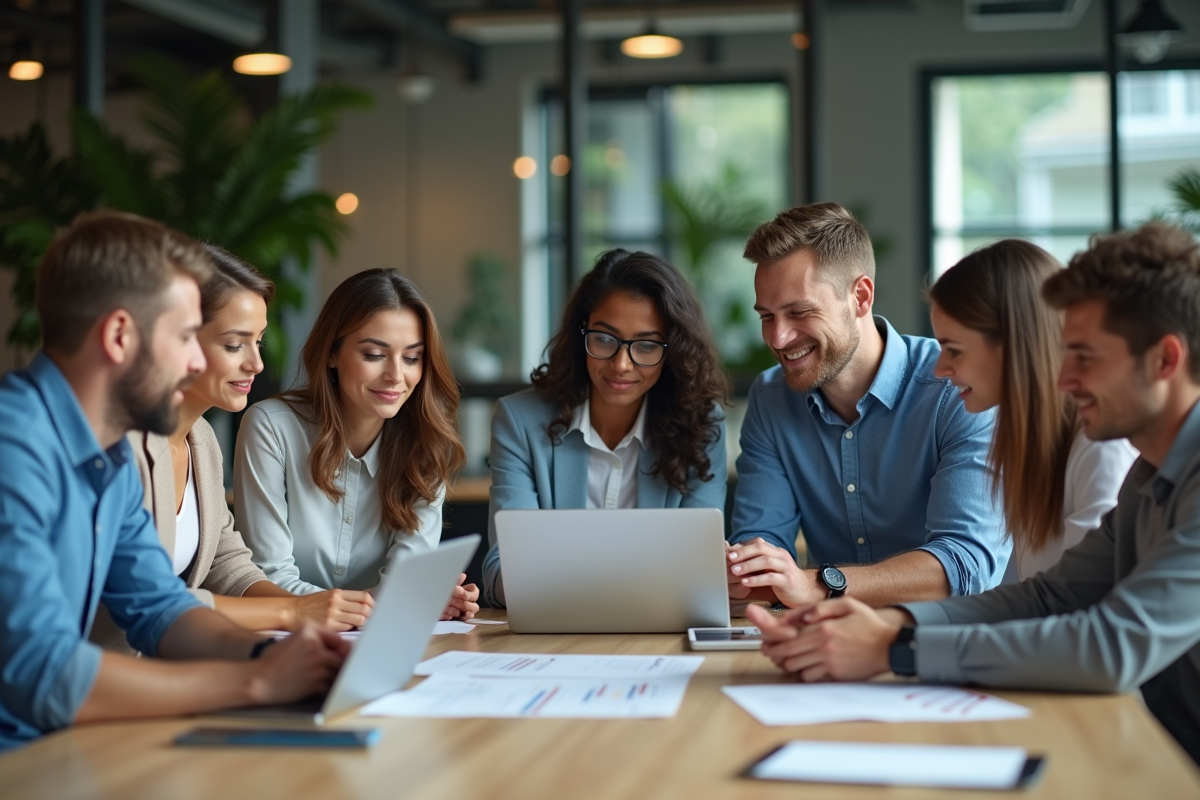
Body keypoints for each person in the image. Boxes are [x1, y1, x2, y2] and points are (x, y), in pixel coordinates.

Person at [747, 221, 1200, 765]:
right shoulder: (1150, 475)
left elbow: (1110, 643)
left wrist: (895, 647)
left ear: (1165, 361)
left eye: (1085, 357)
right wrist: (894, 622)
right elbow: (1049, 598)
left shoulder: (1132, 463)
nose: (1062, 378)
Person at [0, 211, 348, 752]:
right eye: (187, 336)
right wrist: (255, 682)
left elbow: (159, 607)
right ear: (119, 335)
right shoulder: (14, 447)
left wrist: (271, 657)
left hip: (65, 748)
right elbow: (44, 673)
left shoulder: (106, 453)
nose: (194, 361)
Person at [91, 246, 374, 655]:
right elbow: (155, 601)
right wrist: (291, 614)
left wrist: (311, 609)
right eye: (234, 345)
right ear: (178, 340)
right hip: (105, 682)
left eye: (257, 341)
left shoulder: (202, 440)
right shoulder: (121, 446)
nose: (257, 363)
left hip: (163, 669)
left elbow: (228, 565)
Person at [726, 202, 1009, 609]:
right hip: (827, 642)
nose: (779, 338)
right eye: (767, 317)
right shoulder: (771, 399)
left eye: (799, 312)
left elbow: (965, 565)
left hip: (947, 644)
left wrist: (817, 585)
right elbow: (763, 547)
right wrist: (744, 572)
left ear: (860, 296)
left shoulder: (956, 389)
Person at [481, 249, 729, 607]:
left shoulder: (702, 426)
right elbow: (501, 568)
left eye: (645, 345)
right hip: (551, 636)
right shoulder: (519, 420)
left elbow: (698, 571)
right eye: (604, 339)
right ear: (582, 331)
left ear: (673, 350)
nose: (622, 364)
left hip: (655, 638)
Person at [235, 268, 476, 620]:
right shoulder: (270, 427)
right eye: (374, 355)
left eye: (411, 357)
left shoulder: (427, 442)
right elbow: (268, 578)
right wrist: (391, 603)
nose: (396, 374)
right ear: (332, 354)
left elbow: (406, 584)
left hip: (380, 644)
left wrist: (419, 597)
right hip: (284, 639)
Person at [928, 240, 1137, 579]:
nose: (939, 369)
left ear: (1012, 345)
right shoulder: (1030, 445)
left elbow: (1081, 609)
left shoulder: (1101, 449)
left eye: (953, 350)